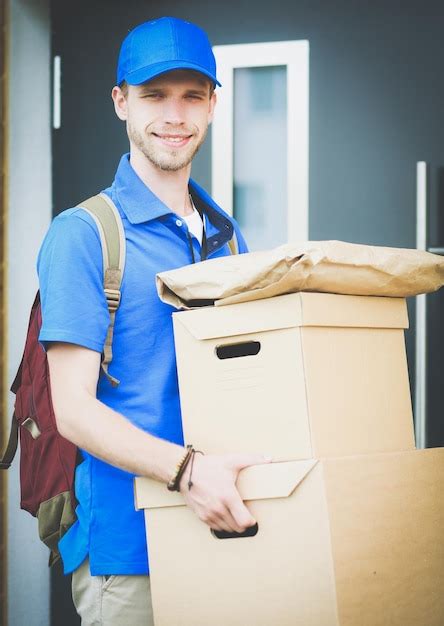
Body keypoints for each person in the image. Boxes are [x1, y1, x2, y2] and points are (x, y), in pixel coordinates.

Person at [37, 16, 270, 626]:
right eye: (154, 95)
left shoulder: (228, 238)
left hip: (226, 526)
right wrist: (186, 471)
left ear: (213, 106)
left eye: (192, 96)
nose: (175, 114)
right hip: (129, 547)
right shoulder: (84, 235)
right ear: (120, 102)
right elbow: (74, 409)